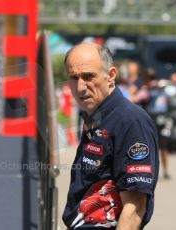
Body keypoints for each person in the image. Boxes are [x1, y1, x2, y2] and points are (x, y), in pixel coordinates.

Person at [62, 43, 159, 229]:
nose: (81, 87)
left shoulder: (130, 122)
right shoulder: (96, 115)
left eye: (89, 76)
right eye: (74, 78)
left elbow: (135, 208)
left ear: (111, 75)